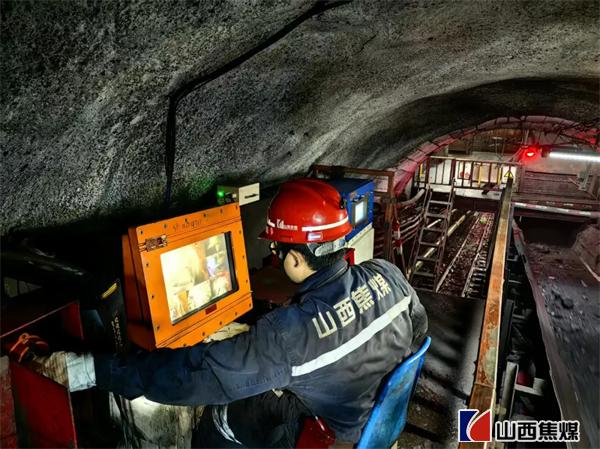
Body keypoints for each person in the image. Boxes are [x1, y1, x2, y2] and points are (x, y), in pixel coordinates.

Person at [68, 178, 428, 448]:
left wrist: (96, 370)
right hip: (375, 415)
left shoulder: (288, 336)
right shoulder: (387, 274)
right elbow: (418, 328)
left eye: (277, 250)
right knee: (265, 391)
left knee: (223, 416)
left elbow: (194, 375)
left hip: (336, 436)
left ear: (294, 258)